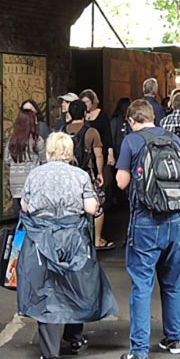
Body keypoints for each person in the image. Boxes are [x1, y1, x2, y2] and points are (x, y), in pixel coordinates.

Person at [17, 132, 118, 359]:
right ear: (70, 152)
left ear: (49, 151)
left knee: (47, 291)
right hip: (73, 239)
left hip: (41, 240)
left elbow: (25, 205)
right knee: (75, 285)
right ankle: (74, 337)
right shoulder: (80, 175)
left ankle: (50, 353)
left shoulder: (36, 174)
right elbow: (91, 208)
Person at [114, 99, 180, 359]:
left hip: (145, 222)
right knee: (171, 283)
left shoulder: (131, 142)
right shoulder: (173, 139)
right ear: (153, 116)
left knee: (142, 285)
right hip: (176, 220)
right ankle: (175, 339)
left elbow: (122, 182)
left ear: (132, 120)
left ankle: (139, 350)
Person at [63, 100, 110, 250]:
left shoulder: (61, 132)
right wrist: (100, 173)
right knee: (97, 206)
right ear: (85, 113)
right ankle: (97, 240)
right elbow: (99, 155)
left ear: (70, 113)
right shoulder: (91, 132)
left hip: (66, 176)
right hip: (85, 174)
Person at [4, 109, 46, 209]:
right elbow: (44, 161)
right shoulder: (37, 140)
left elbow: (6, 160)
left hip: (15, 185)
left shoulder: (11, 140)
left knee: (19, 213)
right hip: (32, 184)